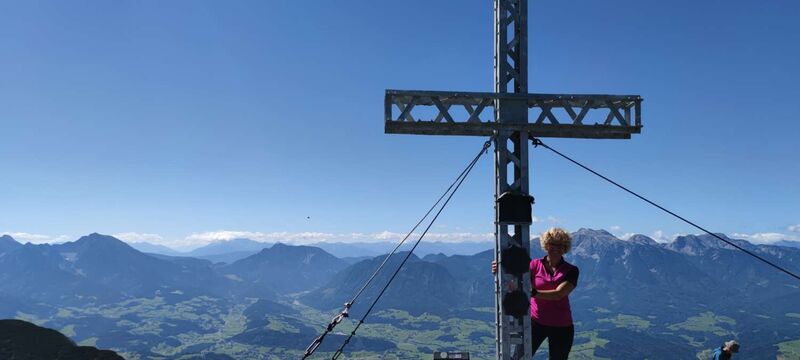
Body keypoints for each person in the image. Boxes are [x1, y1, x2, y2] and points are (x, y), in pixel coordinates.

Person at [492, 227, 579, 360]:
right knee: (519, 358)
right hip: (535, 322)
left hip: (562, 325)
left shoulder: (571, 270)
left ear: (565, 248)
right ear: (546, 245)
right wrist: (499, 271)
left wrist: (532, 292)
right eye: (553, 244)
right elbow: (515, 281)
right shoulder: (534, 265)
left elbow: (559, 294)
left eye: (561, 245)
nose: (556, 248)